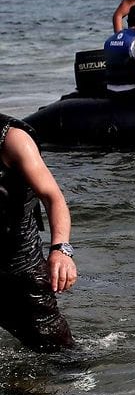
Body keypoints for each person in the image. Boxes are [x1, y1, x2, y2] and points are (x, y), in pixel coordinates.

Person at [0, 114, 77, 353]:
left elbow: (53, 198)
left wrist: (61, 250)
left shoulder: (12, 140)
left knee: (60, 357)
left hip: (18, 270)